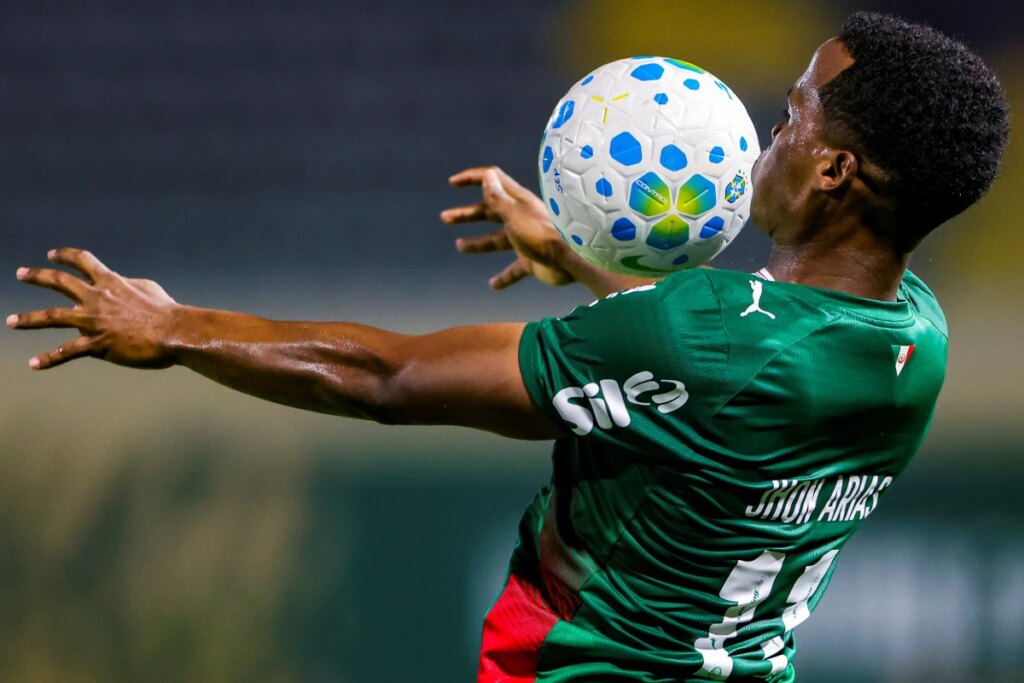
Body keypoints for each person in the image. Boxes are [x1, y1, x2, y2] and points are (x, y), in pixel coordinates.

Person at [7, 11, 1009, 683]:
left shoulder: (692, 332)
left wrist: (177, 327)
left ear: (834, 171)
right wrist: (580, 259)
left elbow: (389, 377)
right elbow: (726, 364)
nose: (768, 136)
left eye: (792, 115)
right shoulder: (916, 339)